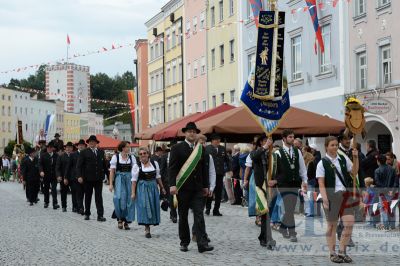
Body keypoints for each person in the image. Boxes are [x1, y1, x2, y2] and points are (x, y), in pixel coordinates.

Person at [168, 122, 213, 253]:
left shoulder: (201, 149)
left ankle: (202, 243)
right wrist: (172, 185)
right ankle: (184, 242)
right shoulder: (177, 148)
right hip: (182, 188)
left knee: (199, 215)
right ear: (185, 133)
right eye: (189, 131)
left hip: (197, 189)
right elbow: (172, 168)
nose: (192, 133)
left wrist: (205, 186)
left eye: (194, 131)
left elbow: (203, 169)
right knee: (183, 216)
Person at [317, 136, 359, 263]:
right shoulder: (322, 163)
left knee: (349, 223)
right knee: (332, 226)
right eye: (332, 145)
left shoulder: (343, 158)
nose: (335, 147)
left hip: (344, 195)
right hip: (330, 196)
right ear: (326, 147)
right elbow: (321, 183)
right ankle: (332, 253)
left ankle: (342, 251)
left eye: (336, 145)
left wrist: (356, 157)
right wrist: (325, 199)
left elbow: (354, 171)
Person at [272, 129, 308, 242]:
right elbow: (274, 170)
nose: (292, 139)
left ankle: (283, 228)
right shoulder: (277, 153)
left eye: (293, 137)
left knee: (290, 208)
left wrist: (304, 180)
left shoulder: (297, 151)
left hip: (295, 183)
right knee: (289, 207)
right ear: (284, 138)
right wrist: (274, 181)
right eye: (290, 137)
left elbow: (302, 167)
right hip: (283, 183)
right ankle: (292, 233)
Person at [131, 147, 166, 238]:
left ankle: (150, 224)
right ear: (139, 156)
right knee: (145, 206)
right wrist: (133, 193)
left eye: (144, 153)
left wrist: (162, 188)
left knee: (153, 206)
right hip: (142, 188)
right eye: (141, 154)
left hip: (153, 188)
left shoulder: (154, 164)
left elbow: (158, 177)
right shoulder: (136, 166)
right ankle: (147, 228)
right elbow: (134, 181)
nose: (143, 155)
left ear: (148, 154)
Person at [250, 135, 276, 249]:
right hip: (261, 186)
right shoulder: (256, 152)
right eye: (265, 141)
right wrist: (265, 147)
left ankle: (263, 236)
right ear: (261, 143)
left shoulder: (274, 155)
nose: (268, 143)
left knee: (269, 213)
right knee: (265, 212)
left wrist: (276, 180)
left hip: (271, 186)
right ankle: (266, 238)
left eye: (269, 141)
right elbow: (254, 157)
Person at [76, 135, 107, 222]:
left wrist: (109, 177)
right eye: (90, 142)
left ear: (96, 143)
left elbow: (104, 165)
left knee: (99, 197)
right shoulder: (84, 152)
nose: (92, 143)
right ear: (88, 143)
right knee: (88, 197)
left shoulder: (101, 152)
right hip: (87, 178)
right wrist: (79, 176)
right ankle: (87, 213)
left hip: (98, 179)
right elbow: (78, 166)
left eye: (93, 142)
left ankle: (100, 215)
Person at [192, 134, 216, 243]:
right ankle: (200, 234)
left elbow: (212, 172)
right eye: (201, 143)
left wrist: (211, 187)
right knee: (199, 212)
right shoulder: (192, 155)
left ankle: (198, 233)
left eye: (204, 143)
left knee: (199, 212)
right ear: (196, 144)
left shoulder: (208, 156)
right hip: (193, 189)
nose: (203, 145)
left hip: (204, 188)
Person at [109, 141, 136, 230]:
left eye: (129, 147)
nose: (129, 148)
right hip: (119, 179)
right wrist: (110, 184)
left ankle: (126, 221)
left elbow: (135, 171)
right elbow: (112, 171)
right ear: (123, 148)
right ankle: (119, 218)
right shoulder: (116, 157)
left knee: (129, 199)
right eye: (127, 147)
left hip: (129, 179)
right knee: (119, 198)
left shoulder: (132, 157)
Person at [205, 133, 232, 216]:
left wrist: (230, 169)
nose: (218, 142)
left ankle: (216, 210)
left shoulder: (222, 148)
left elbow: (228, 160)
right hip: (210, 174)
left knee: (219, 192)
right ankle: (208, 208)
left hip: (220, 173)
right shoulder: (207, 148)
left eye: (219, 140)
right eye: (216, 140)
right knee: (210, 191)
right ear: (212, 141)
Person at [374, 154, 396, 230]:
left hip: (382, 192)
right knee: (392, 208)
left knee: (383, 209)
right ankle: (392, 226)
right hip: (391, 191)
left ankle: (386, 226)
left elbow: (377, 182)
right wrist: (392, 190)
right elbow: (395, 182)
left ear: (378, 161)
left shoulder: (377, 170)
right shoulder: (392, 169)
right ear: (385, 160)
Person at [56, 142, 76, 212]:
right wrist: (58, 176)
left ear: (72, 148)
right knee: (63, 193)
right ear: (65, 148)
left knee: (74, 193)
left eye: (70, 147)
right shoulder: (61, 156)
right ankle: (64, 206)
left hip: (73, 178)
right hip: (64, 178)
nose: (68, 149)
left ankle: (74, 207)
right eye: (67, 147)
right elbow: (57, 168)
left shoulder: (74, 156)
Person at [159, 145, 177, 223]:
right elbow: (162, 170)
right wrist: (162, 185)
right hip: (168, 181)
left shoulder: (179, 156)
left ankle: (173, 212)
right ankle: (174, 215)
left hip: (179, 180)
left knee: (177, 199)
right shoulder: (164, 156)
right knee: (171, 198)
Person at [39, 141, 60, 209]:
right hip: (46, 175)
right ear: (47, 148)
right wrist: (41, 171)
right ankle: (46, 202)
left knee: (54, 189)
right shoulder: (43, 155)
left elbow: (59, 166)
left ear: (53, 148)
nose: (49, 149)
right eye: (48, 148)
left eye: (51, 148)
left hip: (54, 175)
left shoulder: (56, 155)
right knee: (46, 189)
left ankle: (55, 203)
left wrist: (59, 175)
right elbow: (40, 164)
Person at [72, 139, 86, 215]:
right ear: (77, 146)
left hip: (86, 177)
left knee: (85, 194)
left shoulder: (86, 154)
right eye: (80, 145)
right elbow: (70, 167)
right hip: (76, 177)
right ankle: (80, 207)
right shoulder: (73, 154)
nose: (81, 146)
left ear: (84, 146)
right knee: (79, 193)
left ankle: (82, 207)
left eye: (82, 145)